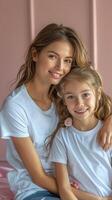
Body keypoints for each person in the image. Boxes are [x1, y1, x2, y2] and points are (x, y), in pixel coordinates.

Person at [0, 23, 112, 200]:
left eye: (67, 60)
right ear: (35, 54)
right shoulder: (15, 106)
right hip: (37, 189)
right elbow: (38, 176)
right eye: (52, 56)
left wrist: (109, 122)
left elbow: (100, 101)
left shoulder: (67, 95)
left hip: (76, 182)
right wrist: (91, 198)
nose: (60, 67)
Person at [49, 66, 112, 200]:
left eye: (86, 94)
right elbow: (64, 189)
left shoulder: (108, 132)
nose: (79, 103)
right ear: (64, 101)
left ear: (98, 94)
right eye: (71, 97)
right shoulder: (62, 138)